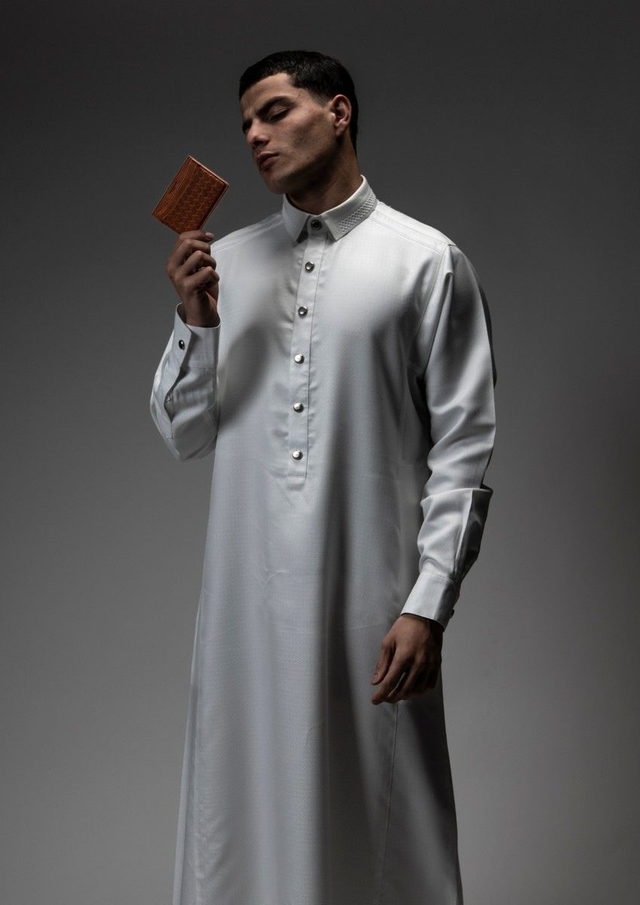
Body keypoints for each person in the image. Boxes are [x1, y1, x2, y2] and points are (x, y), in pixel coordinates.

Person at [150, 49, 497, 905]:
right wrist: (195, 321)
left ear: (338, 112)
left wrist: (428, 601)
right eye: (245, 124)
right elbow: (183, 434)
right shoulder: (227, 261)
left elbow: (464, 448)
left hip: (369, 598)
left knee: (382, 820)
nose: (255, 136)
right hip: (243, 610)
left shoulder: (426, 261)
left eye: (274, 112)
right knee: (239, 818)